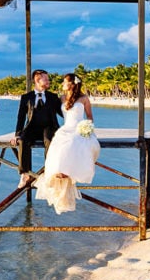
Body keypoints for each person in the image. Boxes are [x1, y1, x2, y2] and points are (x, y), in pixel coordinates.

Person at [33, 73, 101, 214]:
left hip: (79, 129)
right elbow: (48, 109)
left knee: (72, 143)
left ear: (71, 84)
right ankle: (58, 172)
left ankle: (67, 172)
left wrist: (87, 128)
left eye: (64, 82)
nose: (62, 84)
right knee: (57, 146)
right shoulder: (62, 98)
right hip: (65, 129)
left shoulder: (84, 99)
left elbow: (89, 117)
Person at [10, 69, 63, 189]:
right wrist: (17, 134)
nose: (49, 81)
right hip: (31, 128)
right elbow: (21, 117)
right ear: (37, 80)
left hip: (49, 127)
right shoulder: (26, 97)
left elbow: (63, 113)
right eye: (46, 79)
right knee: (23, 141)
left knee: (49, 140)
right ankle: (24, 174)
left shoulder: (53, 97)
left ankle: (49, 171)